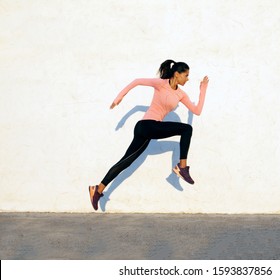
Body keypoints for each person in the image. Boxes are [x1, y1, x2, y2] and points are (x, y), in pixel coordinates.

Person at [88, 59, 209, 211]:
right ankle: (182, 168)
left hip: (148, 130)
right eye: (186, 75)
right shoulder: (161, 84)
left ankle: (97, 189)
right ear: (177, 74)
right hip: (146, 125)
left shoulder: (180, 94)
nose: (188, 78)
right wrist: (119, 98)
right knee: (186, 129)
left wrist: (203, 89)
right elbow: (137, 81)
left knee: (126, 162)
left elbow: (196, 111)